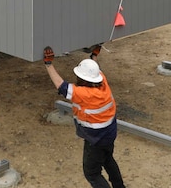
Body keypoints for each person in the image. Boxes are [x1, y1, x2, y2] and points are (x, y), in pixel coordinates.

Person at [43, 44, 126, 188]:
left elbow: (61, 86)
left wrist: (48, 64)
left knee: (92, 173)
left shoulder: (83, 94)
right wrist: (94, 55)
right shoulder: (103, 83)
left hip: (96, 139)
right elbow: (96, 70)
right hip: (109, 133)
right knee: (107, 160)